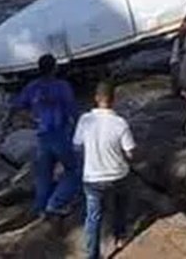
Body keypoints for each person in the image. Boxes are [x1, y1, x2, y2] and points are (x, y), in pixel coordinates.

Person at [9, 53, 80, 217]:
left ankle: (39, 207)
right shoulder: (62, 86)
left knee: (44, 174)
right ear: (54, 68)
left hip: (42, 135)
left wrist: (32, 119)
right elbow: (73, 111)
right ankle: (56, 202)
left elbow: (18, 105)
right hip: (60, 134)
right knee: (73, 170)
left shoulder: (32, 87)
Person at [73, 81, 136, 259]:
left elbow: (77, 146)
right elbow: (130, 152)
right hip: (117, 175)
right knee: (120, 206)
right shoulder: (120, 123)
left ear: (96, 98)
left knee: (93, 217)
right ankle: (120, 237)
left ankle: (92, 255)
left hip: (93, 178)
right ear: (113, 100)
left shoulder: (85, 120)